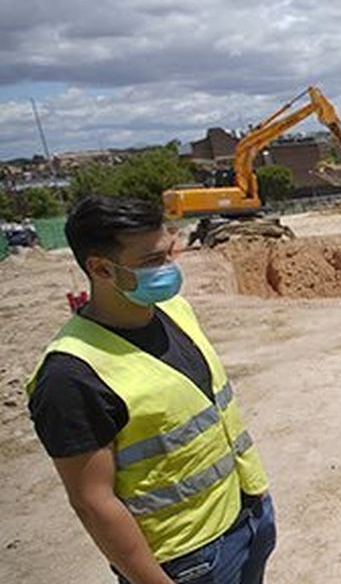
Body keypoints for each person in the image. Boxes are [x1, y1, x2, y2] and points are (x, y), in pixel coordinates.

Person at [26, 196, 275, 584]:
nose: (168, 269)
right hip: (187, 560)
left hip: (245, 516)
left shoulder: (174, 311)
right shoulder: (71, 376)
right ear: (101, 268)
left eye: (168, 253)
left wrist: (256, 502)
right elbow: (93, 501)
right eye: (151, 262)